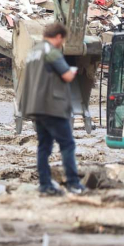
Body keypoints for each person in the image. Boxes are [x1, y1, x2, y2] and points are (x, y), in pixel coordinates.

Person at [16, 22, 86, 196]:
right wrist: (73, 70)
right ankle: (73, 183)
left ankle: (45, 184)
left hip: (35, 107)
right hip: (52, 107)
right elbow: (67, 75)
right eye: (62, 41)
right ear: (59, 37)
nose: (61, 44)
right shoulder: (51, 52)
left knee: (44, 146)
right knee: (67, 145)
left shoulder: (33, 52)